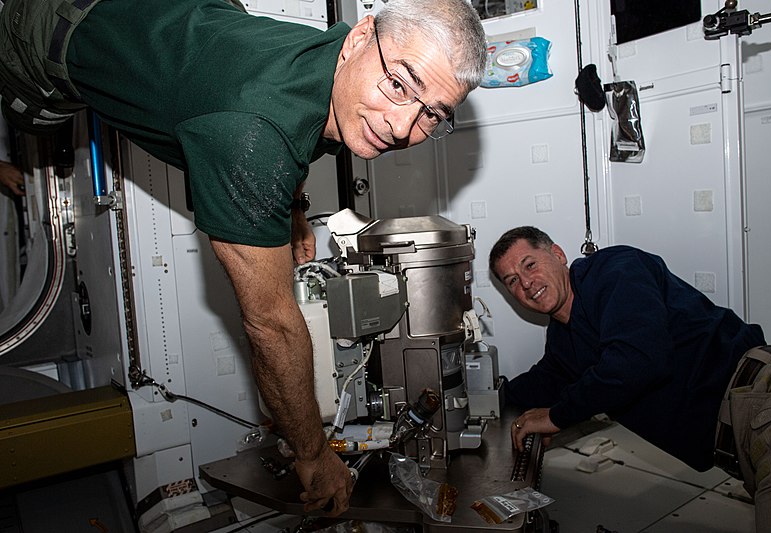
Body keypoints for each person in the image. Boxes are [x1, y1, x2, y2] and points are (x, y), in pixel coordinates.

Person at [0, 0, 487, 515]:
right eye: (400, 84)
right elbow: (271, 325)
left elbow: (296, 128)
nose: (402, 125)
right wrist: (314, 454)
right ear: (360, 38)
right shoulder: (252, 134)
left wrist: (294, 207)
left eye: (432, 113)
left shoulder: (334, 68)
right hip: (41, 27)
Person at [489, 226, 771, 532]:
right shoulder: (564, 340)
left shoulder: (614, 270)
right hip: (744, 445)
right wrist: (480, 400)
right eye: (512, 281)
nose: (527, 283)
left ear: (557, 254)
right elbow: (538, 385)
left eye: (529, 265)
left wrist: (556, 417)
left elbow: (639, 359)